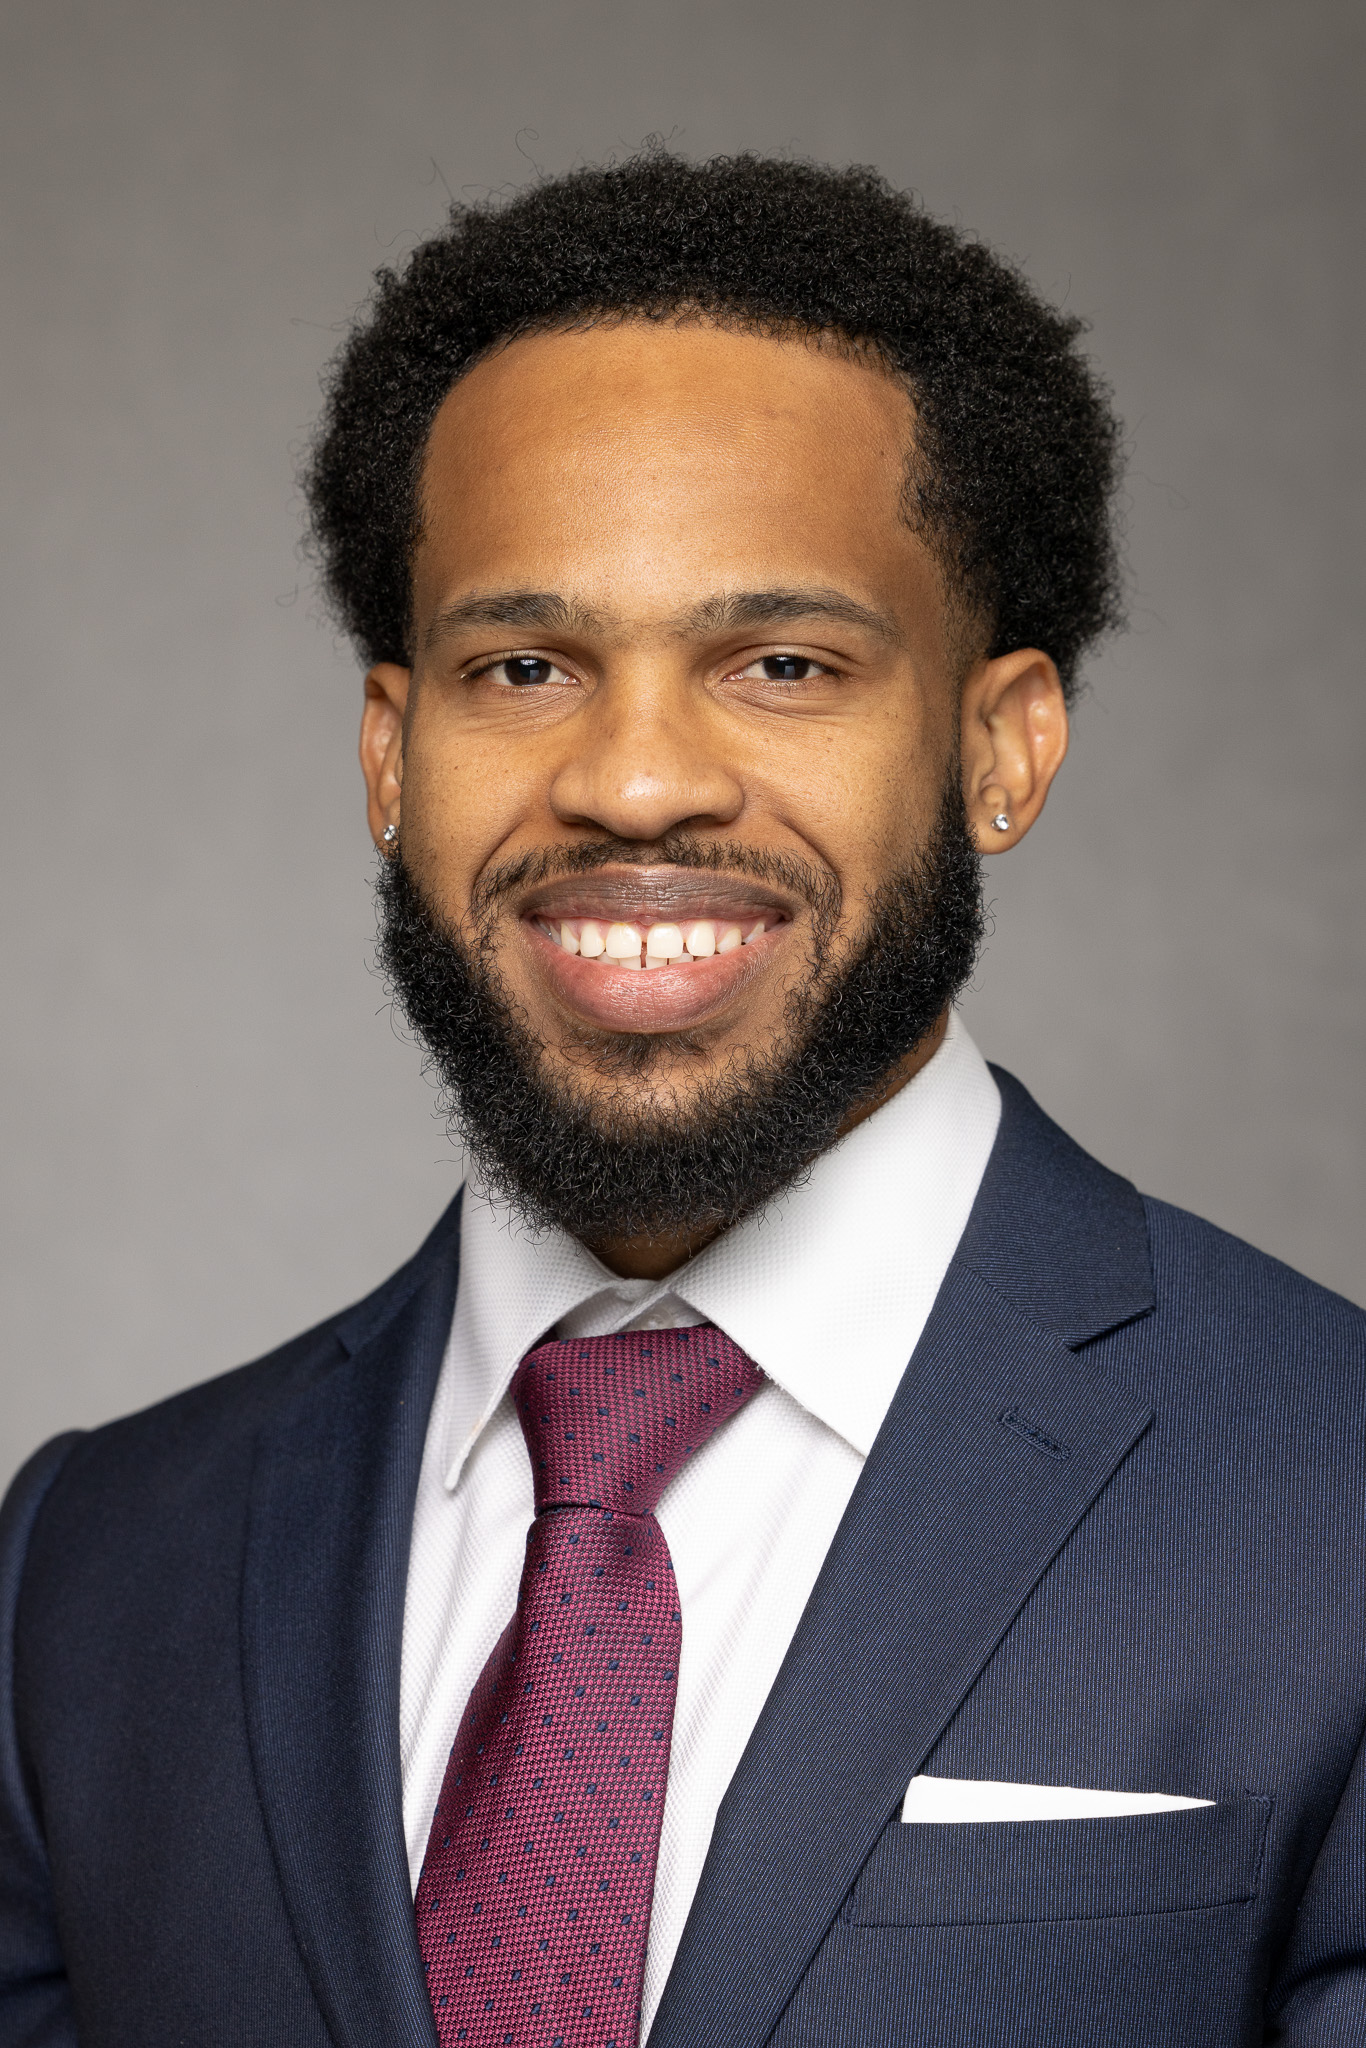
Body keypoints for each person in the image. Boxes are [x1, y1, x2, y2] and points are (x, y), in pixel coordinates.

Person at [2, 151, 1362, 2048]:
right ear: (391, 755)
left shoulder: (1335, 1501)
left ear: (1000, 746)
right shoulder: (87, 1565)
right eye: (526, 663)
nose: (634, 783)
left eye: (782, 663)